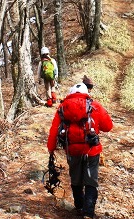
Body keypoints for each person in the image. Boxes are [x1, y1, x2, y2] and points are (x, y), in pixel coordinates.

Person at [47, 83, 113, 219]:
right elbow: (108, 126)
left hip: (72, 149)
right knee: (91, 180)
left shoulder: (62, 107)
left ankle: (79, 206)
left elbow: (54, 130)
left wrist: (51, 148)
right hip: (91, 149)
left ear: (71, 93)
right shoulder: (94, 105)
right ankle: (88, 213)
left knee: (76, 179)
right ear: (85, 92)